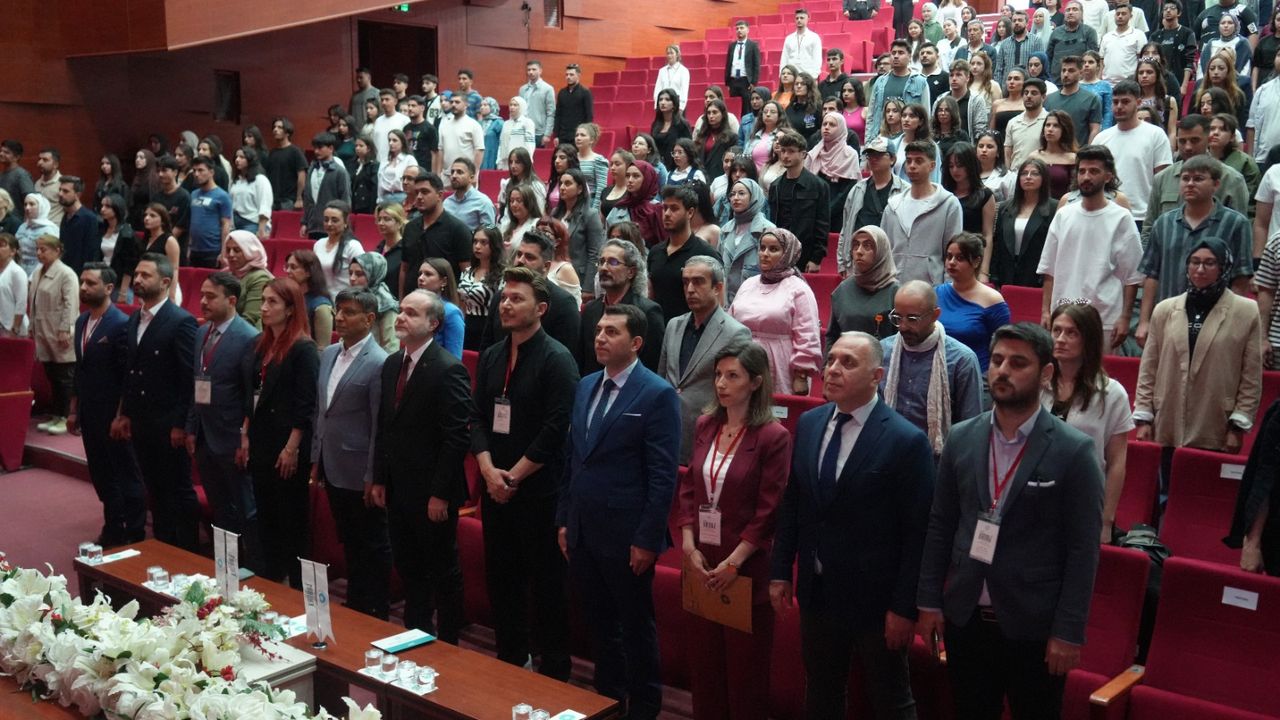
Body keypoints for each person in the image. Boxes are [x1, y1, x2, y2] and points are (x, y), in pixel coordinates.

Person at [917, 322, 1104, 720]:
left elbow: (1083, 551)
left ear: (1046, 373)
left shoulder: (1074, 451)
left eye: (1018, 363)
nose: (1003, 371)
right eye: (998, 360)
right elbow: (940, 524)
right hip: (966, 618)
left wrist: (1068, 630)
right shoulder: (961, 437)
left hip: (1034, 626)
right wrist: (929, 600)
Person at [769, 330, 934, 720]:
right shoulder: (810, 423)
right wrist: (781, 570)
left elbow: (917, 534)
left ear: (877, 376)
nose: (833, 369)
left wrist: (904, 607)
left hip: (876, 600)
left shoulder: (906, 440)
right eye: (831, 360)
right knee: (822, 692)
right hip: (818, 590)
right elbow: (794, 503)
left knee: (891, 700)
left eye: (848, 363)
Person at [558, 302, 682, 720]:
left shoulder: (657, 393)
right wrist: (564, 519)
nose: (600, 338)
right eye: (598, 330)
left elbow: (662, 476)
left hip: (628, 535)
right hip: (583, 527)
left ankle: (644, 707)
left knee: (635, 626)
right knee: (599, 624)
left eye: (611, 332)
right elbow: (572, 458)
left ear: (637, 342)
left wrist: (647, 538)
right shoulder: (585, 385)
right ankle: (607, 701)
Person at [470, 265, 579, 678]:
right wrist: (488, 471)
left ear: (541, 308)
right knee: (502, 582)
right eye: (504, 298)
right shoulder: (493, 354)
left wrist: (512, 476)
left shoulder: (557, 359)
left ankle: (554, 674)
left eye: (517, 299)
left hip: (538, 493)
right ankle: (511, 663)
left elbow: (556, 430)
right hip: (495, 488)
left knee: (547, 588)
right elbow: (476, 417)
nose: (506, 305)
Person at [676, 341, 790, 720]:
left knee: (745, 679)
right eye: (718, 375)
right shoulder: (706, 424)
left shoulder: (772, 436)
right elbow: (689, 487)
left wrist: (734, 563)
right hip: (702, 562)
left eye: (732, 376)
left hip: (744, 569)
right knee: (705, 672)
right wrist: (688, 544)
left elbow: (768, 510)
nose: (721, 384)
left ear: (755, 382)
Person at [371, 287, 473, 640]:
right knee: (409, 567)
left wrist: (440, 494)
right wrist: (379, 478)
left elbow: (456, 438)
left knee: (442, 570)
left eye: (411, 313)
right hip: (398, 487)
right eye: (401, 310)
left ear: (433, 324)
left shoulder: (448, 369)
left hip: (433, 492)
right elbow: (385, 426)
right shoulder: (392, 364)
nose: (400, 317)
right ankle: (416, 634)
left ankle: (448, 642)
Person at [1135, 239, 1262, 456]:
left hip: (1216, 422)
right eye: (1195, 262)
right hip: (1168, 419)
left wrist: (1238, 424)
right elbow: (1149, 367)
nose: (1200, 269)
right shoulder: (1164, 309)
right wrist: (1144, 416)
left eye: (1209, 263)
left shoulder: (1246, 311)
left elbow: (1251, 376)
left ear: (1223, 267)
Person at [313, 286, 394, 620]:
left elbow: (378, 425)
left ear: (370, 318)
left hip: (360, 468)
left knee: (371, 542)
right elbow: (322, 412)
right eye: (338, 311)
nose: (340, 318)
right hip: (332, 463)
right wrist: (316, 458)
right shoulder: (330, 353)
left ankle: (375, 609)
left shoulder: (379, 361)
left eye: (349, 312)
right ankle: (357, 603)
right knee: (348, 538)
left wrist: (373, 475)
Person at [112, 253, 199, 550]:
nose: (137, 280)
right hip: (142, 421)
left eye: (145, 275)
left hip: (169, 423)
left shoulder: (181, 321)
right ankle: (163, 546)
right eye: (136, 274)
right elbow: (131, 371)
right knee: (155, 488)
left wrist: (181, 424)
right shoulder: (135, 318)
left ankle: (187, 550)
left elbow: (189, 379)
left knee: (178, 488)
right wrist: (124, 413)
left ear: (165, 282)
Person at [184, 271, 264, 571]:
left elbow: (251, 395)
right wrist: (191, 427)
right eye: (202, 295)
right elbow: (196, 383)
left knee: (246, 509)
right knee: (220, 508)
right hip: (205, 435)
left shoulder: (248, 338)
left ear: (231, 300)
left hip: (232, 438)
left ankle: (256, 570)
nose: (203, 302)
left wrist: (245, 437)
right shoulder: (201, 333)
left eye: (211, 297)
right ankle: (227, 566)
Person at [241, 278, 318, 588]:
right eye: (263, 300)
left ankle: (298, 588)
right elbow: (251, 395)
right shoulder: (260, 345)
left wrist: (291, 448)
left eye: (272, 302)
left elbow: (305, 404)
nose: (264, 307)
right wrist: (245, 434)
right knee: (267, 518)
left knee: (291, 521)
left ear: (290, 309)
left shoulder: (303, 348)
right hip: (261, 439)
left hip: (287, 444)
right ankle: (272, 580)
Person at [1137, 155, 1254, 345]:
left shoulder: (1236, 223)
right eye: (1185, 178)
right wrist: (1144, 321)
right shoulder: (1164, 223)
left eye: (1198, 179)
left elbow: (1241, 277)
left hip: (1216, 322)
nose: (1190, 184)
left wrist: (1232, 322)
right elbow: (1152, 275)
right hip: (1168, 319)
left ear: (1216, 184)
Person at [1038, 145, 1143, 347]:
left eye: (1094, 171)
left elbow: (1132, 276)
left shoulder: (1121, 218)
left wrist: (1125, 318)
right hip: (1062, 314)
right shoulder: (1063, 215)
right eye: (1082, 171)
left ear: (1108, 176)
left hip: (1104, 318)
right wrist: (1045, 311)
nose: (1086, 177)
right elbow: (1049, 269)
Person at [1046, 302, 1134, 541]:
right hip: (1034, 496)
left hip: (1081, 500)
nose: (1060, 339)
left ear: (1089, 339)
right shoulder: (1036, 384)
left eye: (1071, 333)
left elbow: (1116, 463)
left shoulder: (1111, 393)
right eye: (1056, 330)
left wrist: (1106, 521)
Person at [70, 263, 144, 546]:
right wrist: (73, 409)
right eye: (82, 282)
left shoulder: (121, 323)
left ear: (109, 288)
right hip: (89, 414)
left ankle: (134, 533)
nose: (84, 287)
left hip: (113, 415)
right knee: (101, 475)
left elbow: (127, 376)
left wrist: (121, 414)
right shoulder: (81, 322)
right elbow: (79, 370)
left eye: (90, 283)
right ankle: (113, 526)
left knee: (125, 474)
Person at [880, 280, 984, 453]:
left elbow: (971, 428)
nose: (903, 327)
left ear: (935, 315)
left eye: (912, 319)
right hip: (887, 450)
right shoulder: (883, 350)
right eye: (897, 318)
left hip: (937, 458)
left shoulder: (961, 360)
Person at [730, 228, 822, 394]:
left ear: (787, 254)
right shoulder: (748, 284)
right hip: (743, 361)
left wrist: (801, 376)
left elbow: (807, 335)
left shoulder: (799, 289)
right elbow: (730, 323)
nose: (765, 254)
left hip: (780, 364)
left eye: (773, 249)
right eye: (762, 248)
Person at [1147, 115, 1250, 245]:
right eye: (1182, 141)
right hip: (1170, 254)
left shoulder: (1231, 179)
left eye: (1194, 140)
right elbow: (1149, 227)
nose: (1188, 147)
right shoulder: (1162, 178)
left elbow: (1239, 232)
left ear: (1208, 140)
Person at [479, 232, 581, 361]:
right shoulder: (501, 296)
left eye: (529, 257)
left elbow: (566, 357)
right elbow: (486, 349)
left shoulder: (564, 304)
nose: (520, 261)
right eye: (519, 254)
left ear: (546, 266)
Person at [883, 140, 965, 285]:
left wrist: (947, 290)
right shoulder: (893, 205)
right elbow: (884, 250)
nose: (912, 166)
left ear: (932, 166)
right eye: (909, 161)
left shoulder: (949, 204)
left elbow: (952, 252)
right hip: (894, 286)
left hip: (931, 288)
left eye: (919, 161)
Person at [1094, 80, 1172, 230]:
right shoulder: (1101, 138)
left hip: (1144, 217)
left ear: (1138, 102)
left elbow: (1163, 179)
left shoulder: (1156, 135)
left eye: (1125, 102)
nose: (1119, 106)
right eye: (1115, 102)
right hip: (1106, 214)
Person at [579, 238, 665, 374]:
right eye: (601, 262)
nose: (604, 268)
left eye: (613, 262)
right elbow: (583, 360)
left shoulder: (647, 311)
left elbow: (652, 365)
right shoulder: (590, 309)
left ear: (631, 272)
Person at [839, 138, 909, 279]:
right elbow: (846, 228)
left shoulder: (905, 191)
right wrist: (842, 262)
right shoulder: (857, 189)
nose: (873, 159)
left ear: (892, 159)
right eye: (870, 155)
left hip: (890, 261)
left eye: (879, 155)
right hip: (860, 256)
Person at [29, 235, 78, 435]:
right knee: (52, 375)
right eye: (37, 249)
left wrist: (65, 329)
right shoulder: (37, 272)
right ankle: (56, 415)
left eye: (44, 249)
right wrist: (31, 326)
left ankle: (65, 417)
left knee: (63, 377)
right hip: (43, 331)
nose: (39, 253)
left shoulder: (66, 274)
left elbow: (71, 304)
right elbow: (33, 302)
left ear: (57, 251)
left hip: (59, 331)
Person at [767, 130, 830, 272]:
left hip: (805, 254)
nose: (785, 155)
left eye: (791, 151)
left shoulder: (818, 186)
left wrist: (816, 258)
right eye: (783, 151)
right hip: (779, 253)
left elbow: (822, 224)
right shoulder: (775, 186)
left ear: (803, 154)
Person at [828, 225, 902, 346]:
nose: (859, 251)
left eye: (867, 246)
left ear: (881, 251)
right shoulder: (842, 290)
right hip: (846, 355)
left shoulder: (896, 292)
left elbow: (902, 340)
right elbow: (832, 336)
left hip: (884, 357)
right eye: (855, 245)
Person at [990, 158, 1057, 287]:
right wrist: (994, 275)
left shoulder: (1054, 208)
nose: (1028, 177)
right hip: (1006, 275)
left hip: (1036, 276)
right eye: (1024, 173)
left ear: (1044, 178)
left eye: (1035, 173)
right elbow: (997, 245)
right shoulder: (1005, 207)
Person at [400, 172, 473, 286]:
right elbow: (404, 268)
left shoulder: (458, 229)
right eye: (417, 192)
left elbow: (466, 273)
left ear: (439, 195)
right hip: (412, 294)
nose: (419, 197)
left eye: (425, 192)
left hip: (444, 296)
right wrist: (402, 296)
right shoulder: (410, 227)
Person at [943, 143, 997, 278]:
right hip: (946, 259)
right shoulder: (943, 194)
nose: (955, 170)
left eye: (959, 165)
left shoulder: (985, 195)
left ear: (970, 165)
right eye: (951, 166)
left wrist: (984, 271)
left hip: (971, 258)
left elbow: (988, 235)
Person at [867, 41, 932, 141]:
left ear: (909, 56)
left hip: (910, 139)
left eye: (901, 53)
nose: (896, 56)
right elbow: (871, 114)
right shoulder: (880, 81)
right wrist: (868, 140)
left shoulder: (920, 81)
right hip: (881, 138)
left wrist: (923, 140)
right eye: (893, 53)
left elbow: (926, 114)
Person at [807, 113, 862, 230]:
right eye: (824, 124)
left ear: (841, 128)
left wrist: (827, 211)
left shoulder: (850, 155)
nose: (826, 127)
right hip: (814, 213)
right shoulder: (815, 153)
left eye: (832, 125)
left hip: (840, 214)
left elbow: (848, 190)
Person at [553, 167, 604, 293]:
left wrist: (588, 288)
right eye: (561, 184)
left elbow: (595, 254)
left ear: (580, 189)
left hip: (577, 277)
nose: (562, 187)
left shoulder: (590, 215)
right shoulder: (555, 213)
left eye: (567, 184)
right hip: (554, 274)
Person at [460, 225, 504, 350]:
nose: (477, 246)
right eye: (475, 241)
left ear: (494, 245)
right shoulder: (468, 271)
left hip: (488, 326)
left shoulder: (503, 274)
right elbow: (462, 302)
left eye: (483, 242)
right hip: (466, 324)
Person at [218, 230, 272, 328]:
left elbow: (250, 318)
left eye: (237, 250)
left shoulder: (260, 278)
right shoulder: (226, 274)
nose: (231, 254)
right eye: (228, 250)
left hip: (245, 332)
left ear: (250, 252)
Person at [350, 252, 402, 353]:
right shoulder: (352, 298)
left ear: (373, 274)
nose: (352, 278)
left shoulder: (386, 304)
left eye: (359, 274)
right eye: (350, 273)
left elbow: (391, 347)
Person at [312, 200, 364, 300]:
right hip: (321, 300)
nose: (329, 224)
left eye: (334, 220)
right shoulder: (319, 244)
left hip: (344, 300)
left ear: (345, 222)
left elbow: (362, 277)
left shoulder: (352, 246)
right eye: (326, 220)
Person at [188, 157, 233, 269]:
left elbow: (226, 225)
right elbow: (191, 222)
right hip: (195, 250)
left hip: (213, 250)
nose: (196, 174)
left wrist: (223, 252)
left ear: (211, 172)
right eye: (194, 171)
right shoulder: (193, 194)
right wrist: (189, 247)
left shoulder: (222, 196)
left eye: (200, 170)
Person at [1208, 113, 1262, 202]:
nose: (1215, 133)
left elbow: (1249, 200)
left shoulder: (1246, 162)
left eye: (1223, 129)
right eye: (1212, 129)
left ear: (1232, 137)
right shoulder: (1198, 158)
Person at [286, 250, 334, 349]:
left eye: (293, 267)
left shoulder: (321, 307)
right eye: (287, 267)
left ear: (308, 272)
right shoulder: (289, 298)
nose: (288, 271)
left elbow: (322, 349)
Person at [55, 176, 97, 277]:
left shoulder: (89, 218)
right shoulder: (66, 216)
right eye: (60, 190)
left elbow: (91, 253)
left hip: (80, 275)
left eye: (65, 191)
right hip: (64, 272)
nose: (60, 194)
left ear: (77, 195)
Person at [1048, 0, 1102, 78]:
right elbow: (1049, 57)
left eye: (1075, 9)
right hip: (1056, 80)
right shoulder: (1055, 32)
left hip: (1081, 80)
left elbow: (1092, 59)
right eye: (1068, 10)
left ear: (1082, 14)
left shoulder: (1089, 32)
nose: (1070, 12)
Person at [995, 9, 1050, 86]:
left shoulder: (1036, 41)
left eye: (1020, 20)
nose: (1016, 23)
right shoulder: (1004, 43)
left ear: (1027, 23)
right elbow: (999, 69)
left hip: (1028, 86)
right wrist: (999, 87)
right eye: (1014, 21)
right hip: (1007, 87)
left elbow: (1041, 67)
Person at [97, 194, 136, 301]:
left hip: (118, 285)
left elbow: (129, 266)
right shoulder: (101, 229)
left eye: (107, 206)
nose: (102, 209)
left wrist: (123, 291)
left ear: (117, 208)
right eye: (102, 205)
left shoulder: (126, 233)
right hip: (101, 280)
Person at [264, 117, 306, 212]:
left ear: (287, 132)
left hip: (288, 201)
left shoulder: (295, 151)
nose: (275, 130)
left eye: (280, 127)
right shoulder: (272, 153)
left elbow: (302, 175)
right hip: (272, 200)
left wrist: (299, 198)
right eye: (274, 127)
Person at [436, 94, 485, 173]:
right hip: (446, 174)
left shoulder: (474, 125)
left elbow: (479, 150)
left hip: (466, 174)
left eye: (457, 102)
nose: (453, 104)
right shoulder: (443, 124)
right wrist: (438, 173)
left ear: (466, 105)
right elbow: (441, 150)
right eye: (451, 102)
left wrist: (475, 173)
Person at [725, 20, 763, 117]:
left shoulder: (753, 45)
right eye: (737, 28)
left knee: (746, 108)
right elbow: (728, 63)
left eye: (742, 28)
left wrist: (753, 82)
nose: (739, 30)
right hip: (733, 81)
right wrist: (727, 82)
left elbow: (756, 65)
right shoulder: (732, 46)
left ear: (747, 30)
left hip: (746, 81)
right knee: (734, 108)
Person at [552, 64, 595, 147]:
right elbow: (558, 115)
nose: (568, 77)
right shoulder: (562, 92)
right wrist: (556, 135)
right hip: (563, 136)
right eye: (567, 75)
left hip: (578, 135)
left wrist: (586, 134)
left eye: (571, 75)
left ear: (578, 75)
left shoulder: (585, 92)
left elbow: (589, 116)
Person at [1249, 51, 1280, 162]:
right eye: (1279, 55)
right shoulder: (1263, 90)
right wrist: (1251, 160)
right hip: (1263, 159)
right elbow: (1251, 126)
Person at [652, 89, 694, 171]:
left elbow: (689, 148)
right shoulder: (655, 124)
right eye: (660, 99)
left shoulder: (682, 124)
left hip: (676, 166)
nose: (663, 102)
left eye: (667, 100)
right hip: (658, 166)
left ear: (674, 104)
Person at [519, 60, 557, 147]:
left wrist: (547, 134)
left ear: (540, 71)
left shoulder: (547, 89)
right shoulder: (522, 89)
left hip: (539, 133)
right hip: (523, 130)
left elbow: (551, 113)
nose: (531, 72)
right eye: (528, 70)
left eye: (534, 69)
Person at [780, 8, 824, 78]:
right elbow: (784, 59)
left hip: (808, 76)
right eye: (797, 18)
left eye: (802, 18)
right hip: (791, 76)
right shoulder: (789, 38)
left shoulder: (814, 37)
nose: (799, 20)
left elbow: (817, 59)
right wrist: (781, 75)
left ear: (808, 19)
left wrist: (814, 76)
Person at [0, 233, 26, 336]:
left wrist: (15, 328)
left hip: (10, 327)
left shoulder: (17, 272)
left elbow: (21, 303)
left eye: (2, 245)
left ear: (13, 251)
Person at [0, 140, 35, 214]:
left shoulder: (22, 175)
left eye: (6, 152)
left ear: (16, 157)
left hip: (17, 219)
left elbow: (31, 199)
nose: (1, 154)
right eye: (1, 151)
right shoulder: (2, 174)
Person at [349, 67, 379, 134]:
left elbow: (381, 113)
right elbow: (350, 114)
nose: (358, 80)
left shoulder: (376, 93)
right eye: (357, 78)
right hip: (355, 132)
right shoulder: (354, 96)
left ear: (369, 77)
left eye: (361, 77)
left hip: (370, 130)